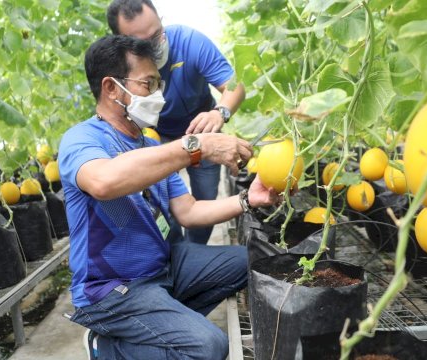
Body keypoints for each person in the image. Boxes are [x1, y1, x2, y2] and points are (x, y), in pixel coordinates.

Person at [58, 35, 278, 360]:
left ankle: (161, 328)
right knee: (209, 346)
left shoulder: (151, 147)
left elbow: (188, 211)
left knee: (255, 264)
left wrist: (247, 201)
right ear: (111, 88)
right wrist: (198, 146)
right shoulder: (81, 139)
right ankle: (109, 348)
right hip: (114, 288)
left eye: (159, 83)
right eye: (148, 84)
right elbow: (104, 181)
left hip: (164, 267)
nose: (158, 95)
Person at [107, 0, 246, 244]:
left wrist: (219, 113)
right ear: (121, 42)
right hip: (156, 137)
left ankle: (194, 251)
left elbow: (235, 88)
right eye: (144, 43)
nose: (156, 44)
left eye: (157, 33)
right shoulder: (119, 68)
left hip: (201, 129)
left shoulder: (189, 42)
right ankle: (174, 251)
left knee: (206, 199)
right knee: (160, 201)